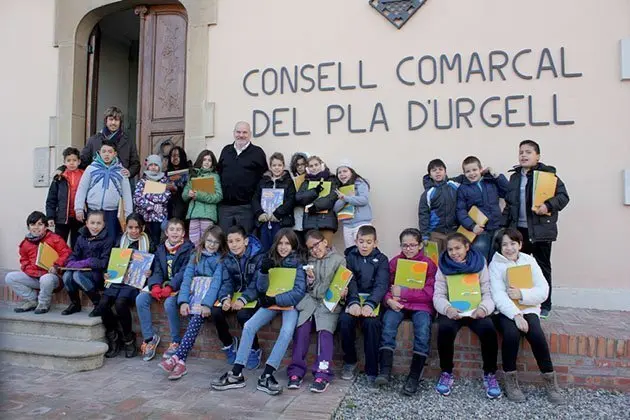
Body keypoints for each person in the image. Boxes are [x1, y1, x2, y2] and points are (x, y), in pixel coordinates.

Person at [212, 228, 306, 395]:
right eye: (280, 243)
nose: (283, 247)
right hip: (271, 302)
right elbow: (261, 288)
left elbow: (298, 292)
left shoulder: (298, 263)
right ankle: (236, 372)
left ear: (293, 245)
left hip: (289, 305)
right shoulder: (270, 259)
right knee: (249, 326)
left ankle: (267, 375)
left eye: (287, 244)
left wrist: (275, 300)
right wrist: (263, 272)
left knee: (286, 331)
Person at [489, 228, 564, 404]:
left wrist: (521, 294)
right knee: (511, 335)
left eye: (513, 243)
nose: (509, 248)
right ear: (499, 247)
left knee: (537, 335)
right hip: (505, 312)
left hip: (529, 308)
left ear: (520, 244)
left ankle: (550, 380)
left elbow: (543, 290)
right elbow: (498, 295)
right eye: (504, 244)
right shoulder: (495, 265)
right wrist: (515, 315)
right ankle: (511, 381)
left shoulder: (529, 261)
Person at [502, 140, 570, 318]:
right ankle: (520, 302)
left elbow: (563, 197)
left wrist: (548, 206)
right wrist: (504, 227)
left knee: (542, 268)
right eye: (521, 152)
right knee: (518, 268)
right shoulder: (515, 177)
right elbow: (510, 204)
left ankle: (545, 304)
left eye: (528, 152)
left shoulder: (547, 175)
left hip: (540, 231)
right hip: (519, 232)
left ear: (537, 156)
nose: (523, 155)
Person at [432, 232, 501, 399]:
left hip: (476, 310)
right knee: (445, 329)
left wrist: (484, 309)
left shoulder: (480, 263)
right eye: (450, 250)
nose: (454, 253)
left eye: (458, 248)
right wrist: (447, 309)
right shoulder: (443, 266)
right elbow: (438, 294)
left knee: (489, 330)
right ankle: (446, 372)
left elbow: (487, 291)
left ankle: (490, 374)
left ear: (467, 247)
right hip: (452, 311)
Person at [159, 225, 227, 380]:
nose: (211, 245)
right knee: (189, 319)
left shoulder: (221, 260)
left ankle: (177, 358)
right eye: (209, 241)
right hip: (193, 294)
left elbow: (216, 283)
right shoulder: (195, 255)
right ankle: (180, 362)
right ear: (203, 240)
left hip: (206, 298)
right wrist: (183, 301)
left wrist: (206, 304)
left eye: (215, 242)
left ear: (220, 244)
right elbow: (187, 278)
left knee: (196, 320)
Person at [377, 228, 436, 395]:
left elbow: (429, 294)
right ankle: (385, 370)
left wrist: (403, 292)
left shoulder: (429, 264)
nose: (408, 249)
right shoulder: (395, 262)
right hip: (397, 305)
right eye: (405, 245)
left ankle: (414, 377)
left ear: (420, 245)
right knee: (388, 324)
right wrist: (388, 300)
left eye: (412, 245)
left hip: (421, 306)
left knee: (423, 329)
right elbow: (385, 286)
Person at [287, 230, 346, 393]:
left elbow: (341, 283)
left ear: (325, 242)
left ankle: (322, 373)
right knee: (302, 330)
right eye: (310, 248)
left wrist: (342, 293)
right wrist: (310, 281)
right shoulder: (308, 261)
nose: (314, 250)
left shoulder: (339, 260)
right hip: (310, 302)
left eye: (316, 245)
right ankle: (296, 371)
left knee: (325, 334)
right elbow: (305, 288)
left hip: (328, 303)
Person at [136, 218, 194, 361]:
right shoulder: (160, 249)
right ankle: (150, 339)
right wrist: (155, 285)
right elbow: (156, 270)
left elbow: (184, 272)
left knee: (169, 303)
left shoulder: (189, 249)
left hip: (179, 287)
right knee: (141, 299)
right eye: (172, 229)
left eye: (178, 230)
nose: (175, 232)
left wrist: (171, 286)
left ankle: (175, 341)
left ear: (183, 233)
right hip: (162, 285)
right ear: (166, 232)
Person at [339, 225, 389, 385]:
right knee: (345, 321)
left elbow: (382, 284)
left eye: (369, 242)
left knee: (372, 324)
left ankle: (372, 369)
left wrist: (370, 304)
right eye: (361, 241)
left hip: (373, 302)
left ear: (375, 243)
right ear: (356, 241)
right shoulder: (350, 257)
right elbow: (350, 280)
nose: (365, 245)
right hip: (354, 299)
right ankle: (350, 362)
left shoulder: (382, 259)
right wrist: (353, 302)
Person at [99, 213, 151, 359]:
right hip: (117, 280)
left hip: (134, 282)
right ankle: (114, 336)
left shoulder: (149, 242)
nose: (134, 231)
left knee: (120, 303)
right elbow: (110, 260)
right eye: (130, 227)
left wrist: (150, 272)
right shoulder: (119, 241)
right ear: (125, 227)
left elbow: (154, 263)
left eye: (137, 227)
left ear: (143, 228)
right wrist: (106, 273)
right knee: (103, 304)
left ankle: (129, 339)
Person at [212, 225, 264, 369]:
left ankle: (254, 349)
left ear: (245, 241)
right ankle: (229, 344)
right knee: (215, 311)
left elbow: (257, 284)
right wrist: (225, 298)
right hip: (235, 296)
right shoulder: (227, 259)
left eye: (237, 240)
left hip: (254, 297)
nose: (234, 245)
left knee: (243, 315)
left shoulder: (259, 256)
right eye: (230, 241)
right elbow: (227, 281)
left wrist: (244, 299)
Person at [6, 211, 71, 314]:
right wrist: (30, 270)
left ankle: (43, 304)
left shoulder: (55, 239)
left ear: (45, 226)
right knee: (10, 277)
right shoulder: (25, 243)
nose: (36, 227)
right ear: (28, 227)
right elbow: (24, 260)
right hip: (34, 277)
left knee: (46, 279)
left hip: (52, 277)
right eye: (33, 224)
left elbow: (66, 254)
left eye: (40, 224)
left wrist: (56, 266)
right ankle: (32, 300)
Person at [74, 140, 133, 244]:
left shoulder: (121, 171)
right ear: (99, 153)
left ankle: (107, 260)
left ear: (115, 154)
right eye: (104, 151)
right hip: (93, 210)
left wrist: (129, 216)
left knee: (111, 240)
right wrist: (78, 208)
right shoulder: (91, 169)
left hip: (112, 213)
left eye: (110, 152)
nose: (107, 154)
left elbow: (127, 194)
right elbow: (82, 189)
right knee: (92, 239)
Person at [217, 121, 268, 234]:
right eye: (238, 132)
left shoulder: (257, 152)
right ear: (234, 133)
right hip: (225, 207)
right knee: (225, 241)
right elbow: (219, 173)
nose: (241, 135)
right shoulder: (226, 150)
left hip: (247, 207)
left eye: (244, 132)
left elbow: (264, 177)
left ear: (249, 134)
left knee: (245, 240)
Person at [61, 211, 114, 317]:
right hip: (83, 272)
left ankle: (98, 304)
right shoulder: (81, 238)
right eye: (92, 223)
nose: (95, 226)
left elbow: (104, 262)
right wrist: (71, 262)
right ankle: (75, 303)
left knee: (76, 275)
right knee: (67, 275)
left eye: (99, 223)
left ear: (104, 224)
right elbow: (75, 255)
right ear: (87, 223)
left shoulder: (108, 240)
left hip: (98, 274)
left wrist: (88, 262)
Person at [456, 156, 509, 261]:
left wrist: (497, 176)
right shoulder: (463, 189)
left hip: (497, 226)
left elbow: (508, 191)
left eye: (474, 170)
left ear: (481, 169)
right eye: (468, 171)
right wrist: (472, 226)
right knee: (480, 260)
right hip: (479, 230)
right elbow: (460, 211)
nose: (472, 173)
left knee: (497, 259)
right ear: (464, 173)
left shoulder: (490, 182)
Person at [252, 152, 296, 253]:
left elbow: (291, 200)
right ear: (270, 167)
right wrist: (260, 213)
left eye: (279, 165)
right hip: (265, 221)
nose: (277, 168)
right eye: (274, 165)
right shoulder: (263, 181)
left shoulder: (288, 182)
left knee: (279, 248)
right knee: (264, 248)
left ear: (283, 166)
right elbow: (255, 198)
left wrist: (277, 213)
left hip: (280, 221)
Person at [79, 106, 140, 179]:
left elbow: (136, 164)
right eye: (111, 119)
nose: (113, 123)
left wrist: (129, 172)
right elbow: (82, 161)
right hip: (98, 183)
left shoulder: (128, 141)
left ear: (120, 122)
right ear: (106, 121)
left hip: (121, 182)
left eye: (117, 120)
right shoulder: (93, 140)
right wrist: (64, 168)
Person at [418, 158, 461, 251]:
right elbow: (423, 215)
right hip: (434, 233)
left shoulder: (454, 185)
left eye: (440, 169)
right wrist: (424, 235)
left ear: (445, 172)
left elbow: (468, 177)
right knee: (433, 260)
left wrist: (482, 172)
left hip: (453, 231)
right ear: (430, 175)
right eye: (434, 170)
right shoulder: (428, 193)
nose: (437, 172)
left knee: (450, 258)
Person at [295, 156, 339, 245]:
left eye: (316, 165)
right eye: (311, 166)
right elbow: (299, 198)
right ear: (307, 169)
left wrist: (315, 206)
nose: (314, 168)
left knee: (326, 250)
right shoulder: (306, 182)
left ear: (322, 165)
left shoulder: (332, 179)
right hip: (309, 223)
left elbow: (332, 197)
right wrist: (314, 191)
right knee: (312, 252)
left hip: (326, 221)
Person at [45, 147, 84, 248]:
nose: (71, 163)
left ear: (79, 161)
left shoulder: (84, 175)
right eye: (68, 160)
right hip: (61, 218)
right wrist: (50, 216)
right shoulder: (59, 177)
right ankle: (59, 263)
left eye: (74, 160)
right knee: (59, 245)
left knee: (77, 245)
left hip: (79, 218)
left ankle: (75, 264)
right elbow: (51, 199)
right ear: (64, 162)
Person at [182, 150, 223, 246]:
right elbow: (184, 196)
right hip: (193, 214)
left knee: (206, 243)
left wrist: (199, 195)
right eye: (204, 159)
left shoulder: (215, 176)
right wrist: (189, 194)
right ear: (200, 160)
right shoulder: (193, 175)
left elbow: (218, 196)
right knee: (193, 243)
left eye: (209, 160)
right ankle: (195, 261)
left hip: (207, 215)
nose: (207, 162)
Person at [333, 159, 373, 249]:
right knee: (351, 253)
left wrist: (346, 198)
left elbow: (364, 200)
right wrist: (344, 198)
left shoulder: (360, 183)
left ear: (351, 172)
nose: (342, 174)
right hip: (347, 225)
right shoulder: (339, 188)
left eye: (345, 171)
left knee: (364, 251)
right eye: (339, 172)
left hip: (361, 224)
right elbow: (335, 208)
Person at [133, 154, 171, 247]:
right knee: (144, 240)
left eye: (156, 165)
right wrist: (152, 206)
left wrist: (147, 195)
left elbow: (165, 196)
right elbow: (137, 198)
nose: (153, 167)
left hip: (157, 218)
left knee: (156, 241)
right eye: (151, 165)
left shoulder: (164, 180)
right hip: (143, 216)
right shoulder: (142, 181)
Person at [165, 146, 192, 221]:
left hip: (183, 207)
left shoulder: (189, 171)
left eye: (178, 156)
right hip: (168, 207)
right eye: (173, 156)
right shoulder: (166, 173)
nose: (175, 158)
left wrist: (177, 188)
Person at [289, 152, 308, 245]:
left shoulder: (312, 178)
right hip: (297, 217)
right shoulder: (291, 180)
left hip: (310, 217)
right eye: (297, 165)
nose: (300, 167)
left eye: (302, 164)